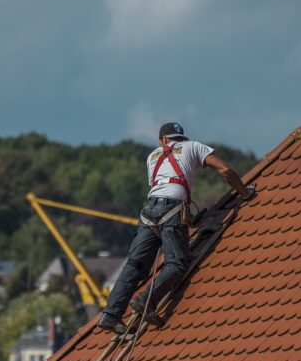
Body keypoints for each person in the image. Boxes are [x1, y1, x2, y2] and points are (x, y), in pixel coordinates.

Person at [97, 122, 254, 334]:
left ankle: (110, 314)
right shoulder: (193, 146)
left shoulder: (152, 156)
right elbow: (225, 170)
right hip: (172, 209)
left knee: (134, 265)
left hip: (149, 212)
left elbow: (163, 185)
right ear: (176, 139)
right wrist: (244, 193)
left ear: (163, 140)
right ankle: (146, 301)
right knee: (177, 264)